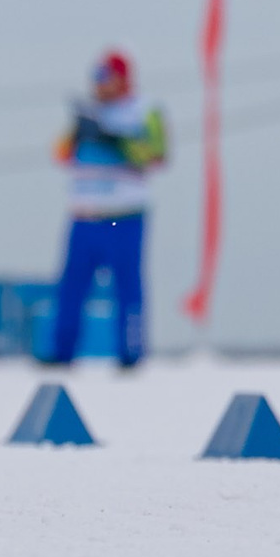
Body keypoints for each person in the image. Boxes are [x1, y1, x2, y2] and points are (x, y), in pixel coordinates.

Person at [44, 50, 167, 368]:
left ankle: (131, 353)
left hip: (124, 215)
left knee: (127, 286)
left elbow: (156, 154)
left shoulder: (145, 111)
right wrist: (76, 133)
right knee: (71, 287)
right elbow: (60, 154)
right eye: (95, 78)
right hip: (84, 215)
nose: (99, 86)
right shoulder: (86, 113)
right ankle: (62, 352)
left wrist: (115, 140)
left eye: (105, 78)